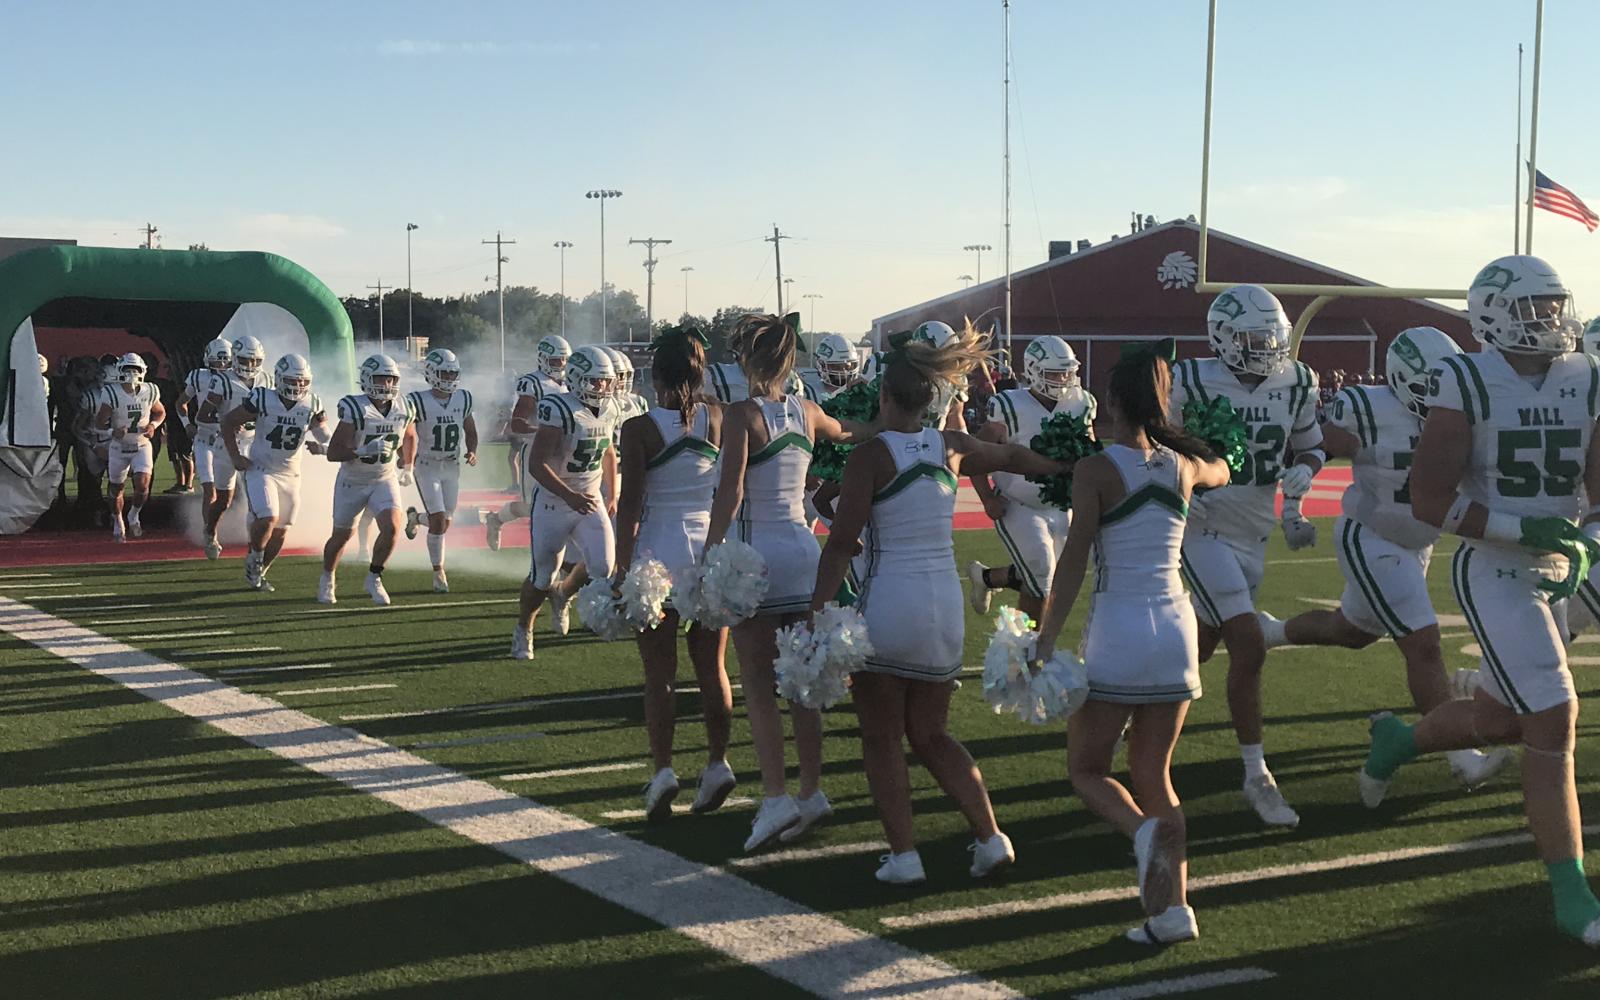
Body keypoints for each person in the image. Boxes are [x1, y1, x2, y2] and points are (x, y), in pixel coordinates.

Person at [1363, 255, 1600, 947]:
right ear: (1494, 316)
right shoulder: (1465, 379)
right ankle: (1571, 893)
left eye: (1555, 306)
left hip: (1552, 565)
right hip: (1492, 566)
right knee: (1554, 715)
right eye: (1535, 310)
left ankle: (1400, 739)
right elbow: (1429, 498)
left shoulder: (1585, 378)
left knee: (1502, 721)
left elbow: (1598, 488)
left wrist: (1586, 538)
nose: (1550, 321)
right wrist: (1518, 527)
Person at [812, 322, 1063, 884]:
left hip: (889, 604)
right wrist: (1068, 464)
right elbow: (1014, 457)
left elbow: (841, 541)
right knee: (932, 734)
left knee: (881, 737)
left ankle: (904, 855)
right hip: (944, 608)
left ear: (882, 397)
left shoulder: (871, 456)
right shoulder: (950, 446)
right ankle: (990, 836)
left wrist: (815, 613)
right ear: (933, 398)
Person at [1033, 338, 1233, 945]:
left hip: (1119, 627)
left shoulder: (1096, 470)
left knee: (1089, 769)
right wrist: (1204, 448)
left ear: (1118, 403)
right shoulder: (1185, 467)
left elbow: (1071, 563)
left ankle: (1142, 835)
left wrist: (1045, 640)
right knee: (1155, 773)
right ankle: (1175, 913)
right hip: (1176, 627)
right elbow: (1226, 467)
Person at [1259, 327, 1512, 791]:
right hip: (1371, 535)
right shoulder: (1366, 407)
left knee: (1353, 632)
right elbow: (1312, 449)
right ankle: (1460, 756)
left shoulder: (1464, 409)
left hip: (1420, 541)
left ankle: (1270, 631)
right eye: (1425, 386)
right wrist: (1293, 507)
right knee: (1424, 642)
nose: (1435, 396)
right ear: (1398, 379)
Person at [704, 312, 869, 853]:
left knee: (757, 682)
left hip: (759, 556)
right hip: (804, 551)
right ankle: (812, 790)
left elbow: (729, 494)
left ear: (749, 361)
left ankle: (775, 798)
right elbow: (852, 433)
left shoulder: (742, 415)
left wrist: (710, 553)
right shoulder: (810, 411)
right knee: (801, 680)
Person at [1169, 284, 1323, 828]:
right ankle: (1258, 774)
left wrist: (1306, 472)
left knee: (1202, 645)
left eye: (1272, 336)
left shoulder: (1296, 380)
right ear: (1224, 338)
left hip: (1254, 532)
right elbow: (1152, 442)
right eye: (1255, 338)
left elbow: (1309, 443)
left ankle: (1130, 706)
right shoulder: (1187, 379)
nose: (1266, 348)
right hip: (1202, 528)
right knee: (1249, 643)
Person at [614, 327, 735, 819]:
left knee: (659, 673)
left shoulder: (640, 428)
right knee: (713, 668)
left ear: (655, 374)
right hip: (707, 548)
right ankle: (717, 763)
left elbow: (631, 505)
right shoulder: (718, 418)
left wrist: (621, 566)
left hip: (658, 551)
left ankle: (663, 770)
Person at [967, 335, 1097, 623]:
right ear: (1034, 371)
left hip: (1063, 504)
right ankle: (1028, 651)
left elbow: (1090, 453)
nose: (1063, 379)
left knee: (1050, 576)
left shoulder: (1083, 403)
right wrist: (987, 497)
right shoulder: (1009, 406)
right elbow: (976, 455)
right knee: (1040, 569)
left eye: (1067, 371)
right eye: (1055, 373)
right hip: (1017, 501)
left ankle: (987, 578)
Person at [511, 345, 620, 659]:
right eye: (595, 381)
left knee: (602, 565)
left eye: (605, 381)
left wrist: (612, 492)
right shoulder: (559, 407)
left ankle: (563, 594)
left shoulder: (610, 407)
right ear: (576, 378)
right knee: (542, 574)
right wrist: (569, 495)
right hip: (553, 501)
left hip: (589, 497)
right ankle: (524, 628)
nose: (602, 387)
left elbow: (609, 451)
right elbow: (536, 464)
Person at [223, 354, 328, 592]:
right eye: (293, 380)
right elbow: (228, 421)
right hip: (261, 468)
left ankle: (259, 571)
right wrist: (235, 456)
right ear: (280, 379)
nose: (298, 386)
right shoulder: (262, 397)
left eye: (302, 381)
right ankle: (256, 556)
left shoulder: (312, 403)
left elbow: (324, 433)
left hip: (291, 474)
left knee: (282, 530)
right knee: (268, 517)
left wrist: (324, 446)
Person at [319, 354, 417, 606]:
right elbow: (333, 452)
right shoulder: (356, 408)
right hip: (353, 480)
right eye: (380, 378)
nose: (386, 384)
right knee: (341, 536)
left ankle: (374, 576)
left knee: (393, 527)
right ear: (366, 379)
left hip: (384, 477)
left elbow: (409, 436)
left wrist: (408, 465)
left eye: (390, 378)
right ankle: (328, 578)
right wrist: (360, 452)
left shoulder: (404, 407)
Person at [485, 333, 570, 552]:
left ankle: (563, 558)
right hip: (537, 450)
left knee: (564, 503)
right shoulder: (532, 383)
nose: (560, 365)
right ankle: (497, 520)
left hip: (565, 451)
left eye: (563, 360)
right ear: (542, 359)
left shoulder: (571, 383)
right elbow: (517, 424)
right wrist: (543, 432)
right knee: (533, 506)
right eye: (555, 360)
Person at [404, 348, 478, 593]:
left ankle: (416, 518)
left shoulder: (463, 398)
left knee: (445, 521)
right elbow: (408, 433)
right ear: (432, 373)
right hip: (426, 465)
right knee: (438, 520)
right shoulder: (417, 400)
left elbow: (470, 429)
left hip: (451, 465)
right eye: (444, 373)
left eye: (452, 373)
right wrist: (405, 460)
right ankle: (438, 572)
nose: (448, 378)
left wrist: (472, 449)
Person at [196, 336, 269, 559]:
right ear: (236, 358)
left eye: (256, 361)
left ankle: (253, 546)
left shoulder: (267, 379)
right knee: (223, 500)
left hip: (254, 443)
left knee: (254, 498)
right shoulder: (222, 381)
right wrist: (225, 422)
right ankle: (210, 531)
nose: (251, 366)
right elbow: (202, 415)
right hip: (226, 444)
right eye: (246, 360)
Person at [92, 353, 165, 541]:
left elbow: (160, 412)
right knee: (116, 489)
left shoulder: (150, 390)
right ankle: (118, 520)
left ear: (143, 371)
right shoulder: (112, 392)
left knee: (143, 485)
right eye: (128, 369)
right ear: (120, 371)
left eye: (136, 369)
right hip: (119, 447)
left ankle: (134, 514)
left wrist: (152, 426)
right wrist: (112, 432)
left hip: (141, 444)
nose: (132, 373)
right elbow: (99, 423)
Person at [179, 338, 232, 518]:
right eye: (219, 359)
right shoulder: (198, 376)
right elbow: (181, 403)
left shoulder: (237, 379)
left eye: (226, 359)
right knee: (210, 490)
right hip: (205, 438)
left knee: (230, 495)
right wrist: (187, 425)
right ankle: (208, 534)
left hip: (231, 440)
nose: (223, 363)